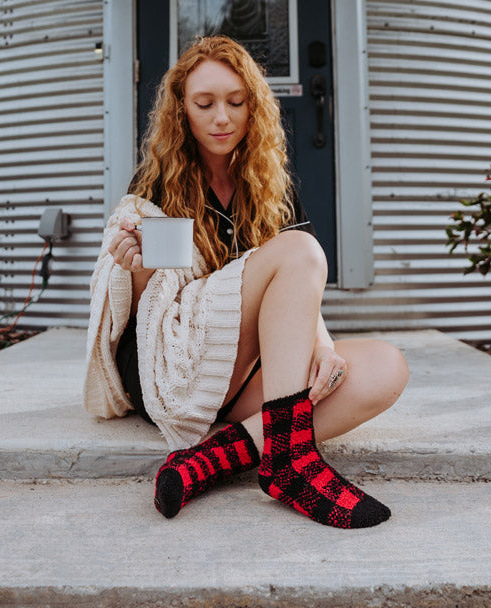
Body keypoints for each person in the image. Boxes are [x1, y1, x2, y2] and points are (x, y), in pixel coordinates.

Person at [84, 35, 409, 529]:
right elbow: (152, 309)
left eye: (236, 102)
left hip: (243, 378)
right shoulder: (154, 186)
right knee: (299, 249)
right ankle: (292, 459)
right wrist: (135, 265)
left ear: (253, 106)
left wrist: (321, 350)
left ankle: (215, 459)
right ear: (181, 110)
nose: (222, 118)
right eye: (205, 103)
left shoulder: (270, 184)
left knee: (385, 367)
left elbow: (300, 285)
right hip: (176, 370)